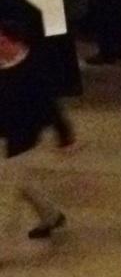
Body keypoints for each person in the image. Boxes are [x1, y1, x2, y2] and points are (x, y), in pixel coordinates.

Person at [0, 19, 75, 240]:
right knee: (21, 182)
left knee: (6, 193)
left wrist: (64, 135)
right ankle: (51, 216)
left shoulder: (33, 68)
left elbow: (50, 104)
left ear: (14, 42)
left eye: (2, 41)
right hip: (4, 134)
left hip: (24, 136)